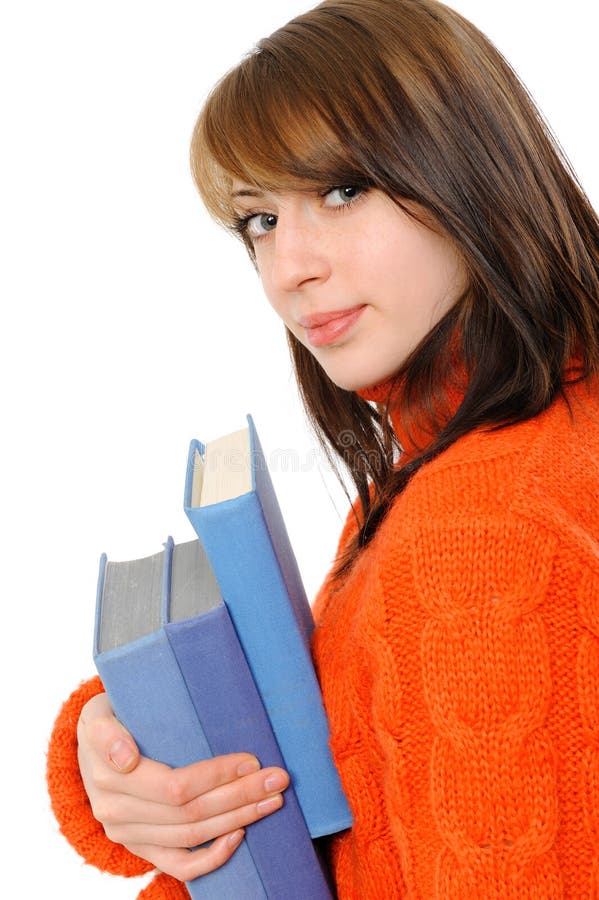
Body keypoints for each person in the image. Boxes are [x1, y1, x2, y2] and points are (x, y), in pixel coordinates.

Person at [46, 0, 599, 897]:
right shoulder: (493, 450)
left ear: (471, 172)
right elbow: (354, 765)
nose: (288, 267)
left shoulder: (484, 524)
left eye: (342, 191)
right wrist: (123, 747)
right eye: (258, 220)